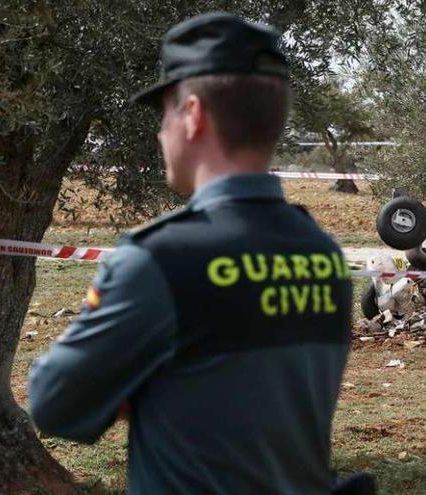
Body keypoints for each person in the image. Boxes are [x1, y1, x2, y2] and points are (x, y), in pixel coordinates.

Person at [28, 12, 364, 495]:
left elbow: (54, 402)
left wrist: (132, 380)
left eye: (163, 114)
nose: (160, 133)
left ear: (192, 115)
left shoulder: (157, 260)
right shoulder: (324, 253)